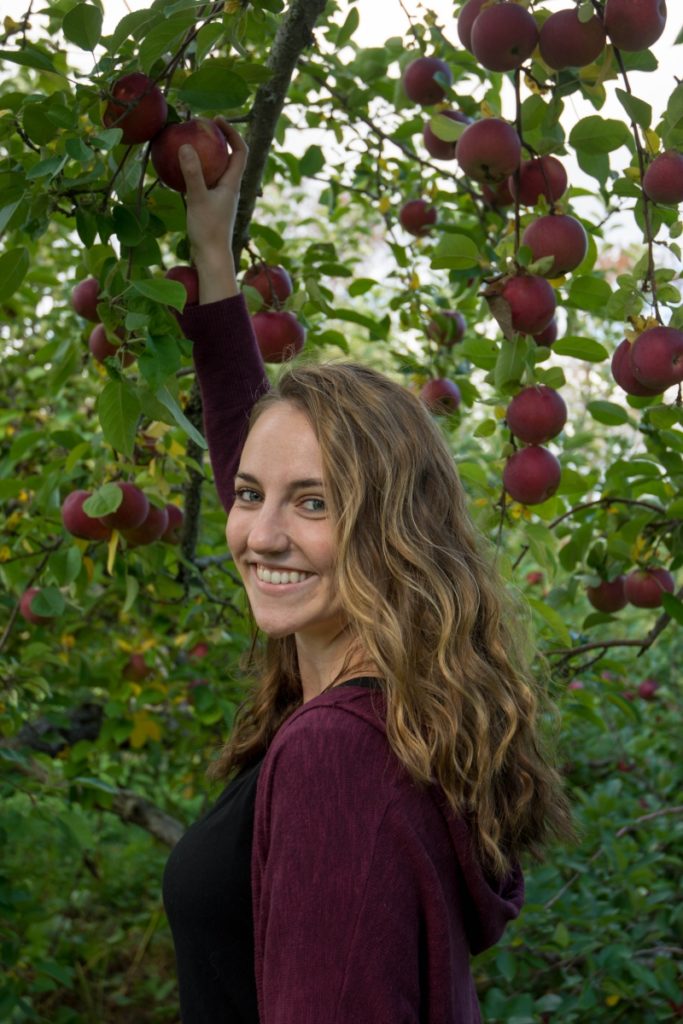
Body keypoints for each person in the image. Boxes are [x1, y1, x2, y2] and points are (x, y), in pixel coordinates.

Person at [162, 120, 574, 1024]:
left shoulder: (336, 756)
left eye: (312, 503)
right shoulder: (407, 717)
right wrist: (212, 260)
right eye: (246, 495)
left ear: (384, 533)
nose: (260, 534)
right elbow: (259, 447)